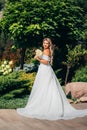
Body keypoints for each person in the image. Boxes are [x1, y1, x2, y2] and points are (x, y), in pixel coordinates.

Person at [17, 38, 87, 120]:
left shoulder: (47, 51)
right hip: (44, 70)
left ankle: (48, 106)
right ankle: (44, 104)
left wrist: (38, 58)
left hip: (45, 70)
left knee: (45, 87)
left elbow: (46, 62)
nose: (45, 44)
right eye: (44, 43)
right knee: (45, 87)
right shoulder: (45, 50)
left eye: (47, 43)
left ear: (49, 44)